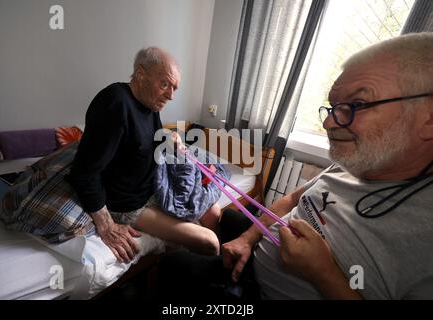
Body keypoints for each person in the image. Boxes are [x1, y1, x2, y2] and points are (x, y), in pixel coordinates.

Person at [155, 32, 433, 300]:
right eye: (333, 106)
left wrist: (323, 273)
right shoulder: (353, 163)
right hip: (254, 261)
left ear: (428, 118)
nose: (328, 123)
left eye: (358, 104)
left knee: (174, 266)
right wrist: (248, 240)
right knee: (220, 223)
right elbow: (289, 199)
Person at [67, 47, 221, 264]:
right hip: (129, 203)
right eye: (165, 84)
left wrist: (170, 137)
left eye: (174, 88)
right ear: (141, 74)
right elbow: (84, 173)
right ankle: (195, 273)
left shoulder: (150, 103)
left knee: (213, 211)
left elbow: (145, 138)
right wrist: (106, 225)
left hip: (154, 185)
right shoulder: (115, 103)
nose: (170, 96)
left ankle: (191, 265)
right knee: (210, 241)